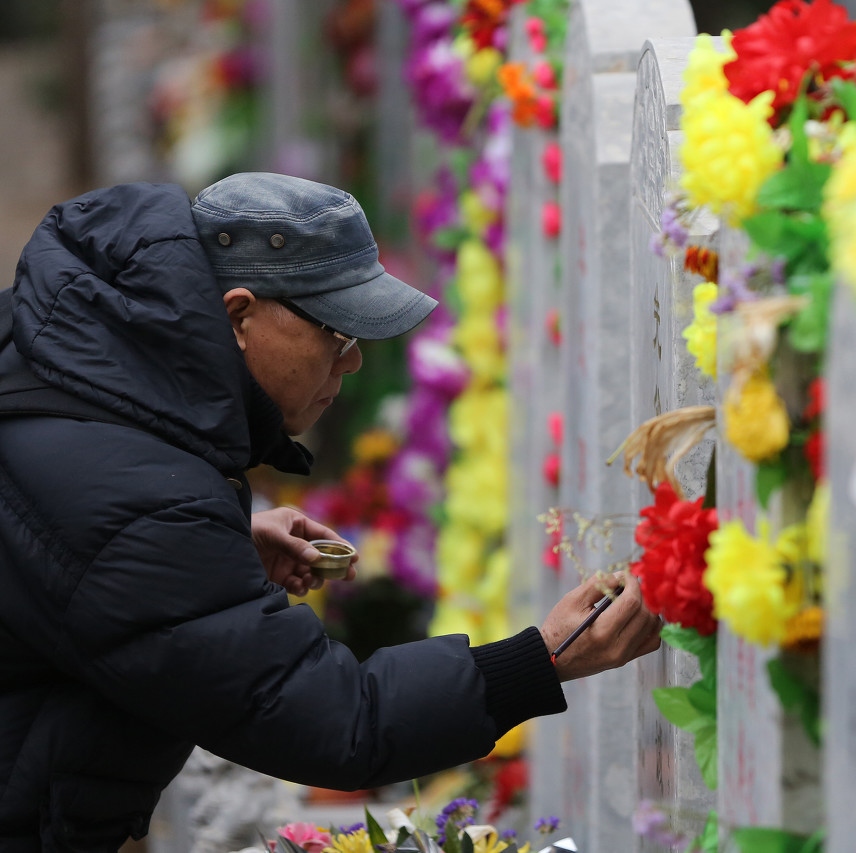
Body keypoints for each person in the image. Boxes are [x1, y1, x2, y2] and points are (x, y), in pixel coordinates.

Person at [0, 173, 662, 852]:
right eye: (337, 334)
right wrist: (541, 661)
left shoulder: (72, 351)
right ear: (238, 316)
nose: (350, 364)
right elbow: (332, 722)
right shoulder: (136, 503)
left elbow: (74, 543)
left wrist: (214, 541)